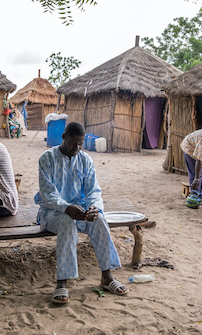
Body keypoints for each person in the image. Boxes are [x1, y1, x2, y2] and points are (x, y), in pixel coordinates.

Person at [35, 122, 127, 304]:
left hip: (81, 210)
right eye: (73, 143)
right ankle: (62, 283)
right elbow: (47, 195)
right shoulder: (47, 159)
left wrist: (93, 207)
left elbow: (93, 190)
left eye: (80, 144)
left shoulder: (86, 160)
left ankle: (106, 276)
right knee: (67, 223)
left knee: (99, 219)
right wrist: (66, 208)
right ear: (63, 137)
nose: (76, 148)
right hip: (52, 213)